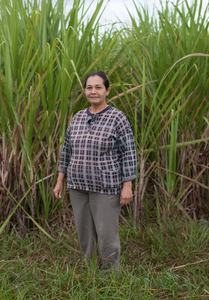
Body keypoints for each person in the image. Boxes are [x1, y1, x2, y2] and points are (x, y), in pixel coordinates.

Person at [53, 71, 137, 274]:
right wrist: (60, 180)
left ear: (107, 90)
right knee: (85, 232)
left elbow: (129, 153)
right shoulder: (78, 117)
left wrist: (128, 185)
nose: (93, 91)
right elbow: (67, 150)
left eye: (98, 87)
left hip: (105, 187)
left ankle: (109, 274)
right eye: (89, 87)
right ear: (85, 91)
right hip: (77, 185)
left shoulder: (117, 118)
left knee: (106, 233)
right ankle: (89, 268)